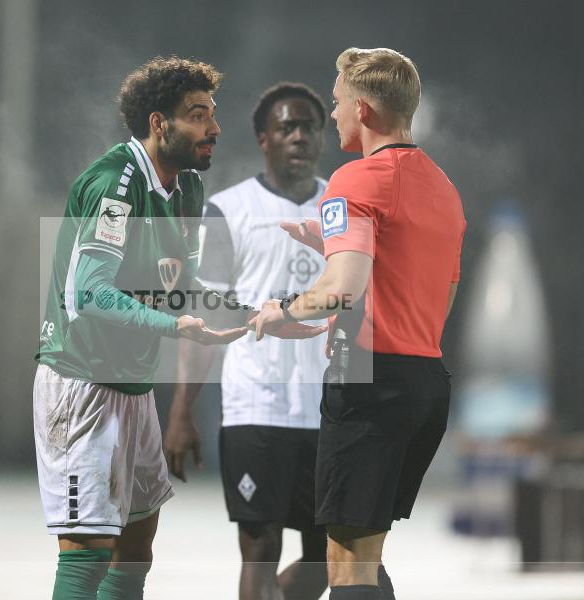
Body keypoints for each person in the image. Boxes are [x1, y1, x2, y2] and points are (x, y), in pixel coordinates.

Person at [252, 48, 466, 600]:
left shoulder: (355, 179)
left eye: (338, 102)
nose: (333, 115)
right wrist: (333, 253)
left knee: (347, 567)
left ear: (364, 109)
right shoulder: (443, 187)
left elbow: (340, 288)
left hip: (369, 385)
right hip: (425, 384)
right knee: (362, 555)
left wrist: (282, 310)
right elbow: (435, 293)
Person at [34, 56, 249, 600]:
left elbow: (182, 283)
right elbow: (88, 291)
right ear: (159, 123)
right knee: (87, 551)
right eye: (198, 115)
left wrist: (257, 312)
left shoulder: (188, 189)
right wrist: (173, 326)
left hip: (133, 387)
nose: (214, 127)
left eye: (212, 113)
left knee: (135, 546)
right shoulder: (115, 184)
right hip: (82, 384)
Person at [165, 82, 330, 600]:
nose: (299, 136)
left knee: (330, 559)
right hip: (255, 410)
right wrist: (182, 411)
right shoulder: (228, 210)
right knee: (260, 550)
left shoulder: (343, 209)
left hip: (330, 413)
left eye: (309, 127)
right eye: (287, 127)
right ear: (264, 139)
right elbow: (204, 319)